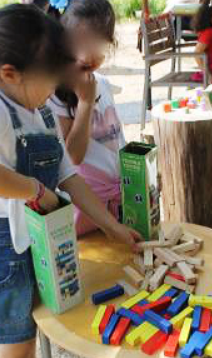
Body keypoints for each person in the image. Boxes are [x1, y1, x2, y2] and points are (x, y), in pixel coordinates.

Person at [0, 5, 141, 358]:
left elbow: (69, 174)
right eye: (50, 74)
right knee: (18, 338)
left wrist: (111, 226)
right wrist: (34, 189)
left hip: (34, 233)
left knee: (41, 315)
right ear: (10, 73)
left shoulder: (38, 110)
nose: (57, 84)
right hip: (1, 242)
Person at [47, 0, 126, 236]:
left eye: (97, 46)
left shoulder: (101, 82)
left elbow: (115, 139)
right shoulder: (54, 93)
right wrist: (86, 103)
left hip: (118, 199)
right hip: (86, 207)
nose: (86, 55)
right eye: (80, 43)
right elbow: (72, 157)